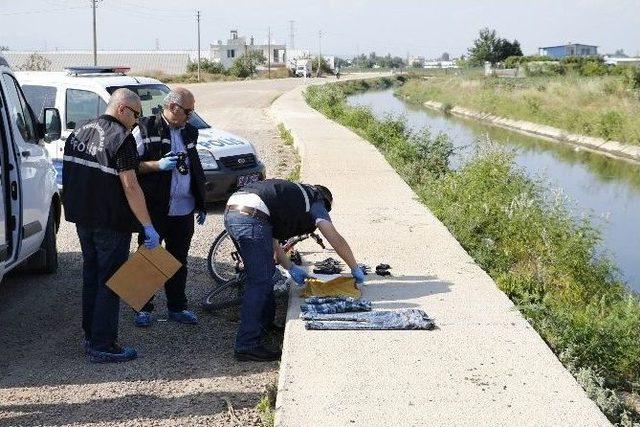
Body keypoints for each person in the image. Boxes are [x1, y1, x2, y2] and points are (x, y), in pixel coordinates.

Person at [63, 88, 160, 363]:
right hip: (110, 222)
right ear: (122, 109)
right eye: (136, 115)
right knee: (110, 281)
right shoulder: (121, 139)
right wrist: (147, 225)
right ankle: (103, 345)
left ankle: (91, 335)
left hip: (83, 219)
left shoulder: (80, 130)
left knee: (91, 275)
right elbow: (130, 186)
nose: (137, 122)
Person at [224, 178, 365, 362]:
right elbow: (332, 235)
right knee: (259, 281)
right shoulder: (316, 200)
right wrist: (354, 266)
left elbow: (273, 243)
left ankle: (264, 325)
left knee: (265, 275)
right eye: (327, 209)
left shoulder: (289, 197)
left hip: (234, 212)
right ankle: (247, 345)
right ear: (325, 200)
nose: (325, 212)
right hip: (250, 217)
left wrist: (290, 267)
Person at [132, 87, 207, 327]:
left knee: (178, 260)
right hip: (155, 208)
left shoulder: (191, 132)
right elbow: (130, 166)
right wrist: (157, 165)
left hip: (183, 209)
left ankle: (177, 307)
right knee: (148, 257)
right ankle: (142, 308)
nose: (191, 116)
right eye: (188, 111)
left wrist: (201, 201)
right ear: (173, 107)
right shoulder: (145, 128)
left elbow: (194, 165)